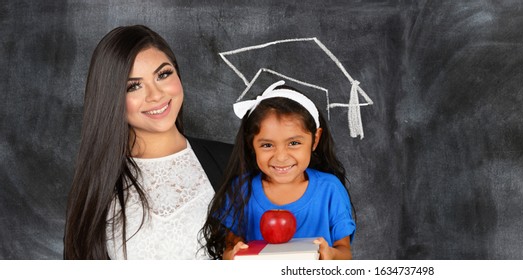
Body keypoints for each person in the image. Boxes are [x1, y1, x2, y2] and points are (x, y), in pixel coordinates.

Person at [63, 25, 233, 259]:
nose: (155, 95)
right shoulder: (95, 187)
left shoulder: (233, 162)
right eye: (133, 86)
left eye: (163, 74)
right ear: (110, 98)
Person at [201, 80, 356, 260]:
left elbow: (344, 252)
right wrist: (233, 254)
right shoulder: (241, 190)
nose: (281, 157)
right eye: (267, 145)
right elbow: (229, 249)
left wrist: (330, 255)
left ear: (315, 140)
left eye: (294, 143)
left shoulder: (330, 189)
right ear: (252, 145)